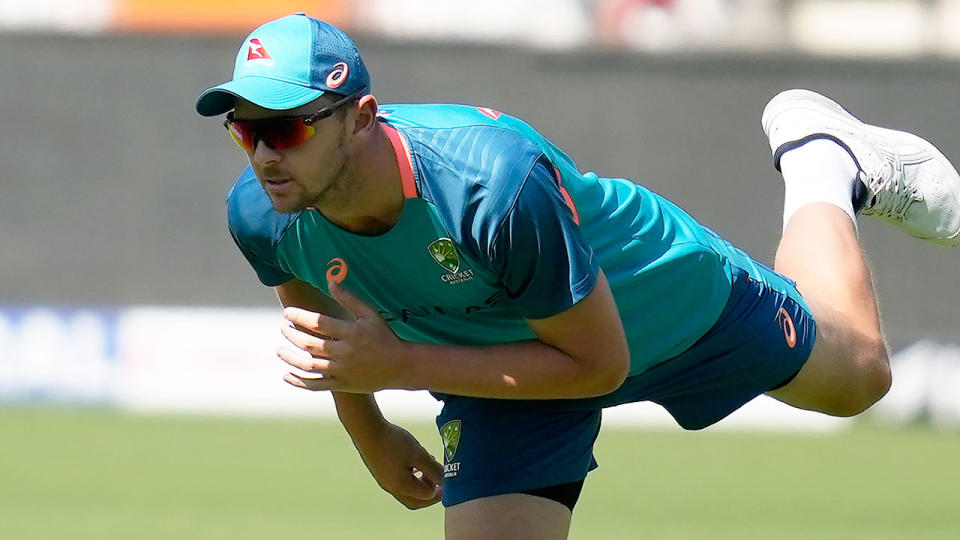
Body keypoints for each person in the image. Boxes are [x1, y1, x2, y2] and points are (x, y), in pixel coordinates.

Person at [196, 13, 959, 540]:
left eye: (287, 128)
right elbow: (328, 332)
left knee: (859, 376)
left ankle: (822, 160)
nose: (265, 155)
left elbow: (601, 362)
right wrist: (369, 433)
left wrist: (403, 367)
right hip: (494, 370)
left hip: (653, 305)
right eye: (246, 129)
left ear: (361, 117)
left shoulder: (490, 187)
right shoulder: (263, 214)